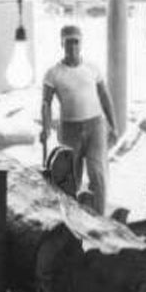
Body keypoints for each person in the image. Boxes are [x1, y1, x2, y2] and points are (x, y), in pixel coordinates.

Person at [40, 25, 119, 214]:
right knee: (71, 177)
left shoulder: (92, 68)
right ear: (62, 43)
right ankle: (73, 218)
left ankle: (99, 217)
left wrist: (113, 125)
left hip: (96, 126)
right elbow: (46, 103)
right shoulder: (53, 73)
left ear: (81, 43)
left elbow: (104, 96)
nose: (73, 46)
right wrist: (45, 127)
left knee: (98, 173)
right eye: (68, 42)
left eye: (76, 41)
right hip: (69, 130)